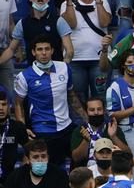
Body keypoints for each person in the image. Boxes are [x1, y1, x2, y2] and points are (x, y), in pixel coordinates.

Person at [14, 35, 87, 167]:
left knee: (81, 159)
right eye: (40, 49)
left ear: (52, 51)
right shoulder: (24, 76)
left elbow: (71, 95)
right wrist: (23, 128)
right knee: (51, 168)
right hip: (43, 130)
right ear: (33, 52)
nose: (43, 53)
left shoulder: (64, 68)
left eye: (47, 49)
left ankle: (74, 185)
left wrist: (85, 117)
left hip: (67, 126)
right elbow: (18, 104)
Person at [58, 0, 112, 103]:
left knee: (101, 99)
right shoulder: (65, 5)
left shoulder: (104, 2)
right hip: (75, 60)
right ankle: (82, 123)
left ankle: (104, 123)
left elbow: (104, 22)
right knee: (78, 100)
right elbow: (71, 23)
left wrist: (98, 2)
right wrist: (69, 2)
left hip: (100, 60)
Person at [0, 0, 74, 66]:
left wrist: (62, 69)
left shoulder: (59, 21)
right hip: (33, 75)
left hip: (55, 74)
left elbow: (70, 51)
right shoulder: (23, 23)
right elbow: (11, 50)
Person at [0, 139, 70, 188]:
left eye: (43, 156)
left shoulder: (59, 174)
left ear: (48, 157)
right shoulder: (17, 175)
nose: (40, 160)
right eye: (35, 157)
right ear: (27, 160)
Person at [71, 97, 129, 168]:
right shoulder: (80, 130)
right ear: (86, 112)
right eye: (92, 110)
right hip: (86, 173)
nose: (96, 113)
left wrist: (114, 137)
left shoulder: (112, 127)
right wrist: (85, 141)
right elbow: (76, 158)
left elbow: (128, 155)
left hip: (110, 171)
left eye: (99, 109)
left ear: (104, 111)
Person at [0, 91, 28, 187]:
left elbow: (29, 149)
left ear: (9, 106)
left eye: (4, 104)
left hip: (10, 177)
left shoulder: (17, 127)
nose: (1, 108)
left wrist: (23, 170)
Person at [0, 0, 17, 96]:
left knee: (10, 93)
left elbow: (10, 21)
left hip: (4, 49)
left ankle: (10, 114)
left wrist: (19, 48)